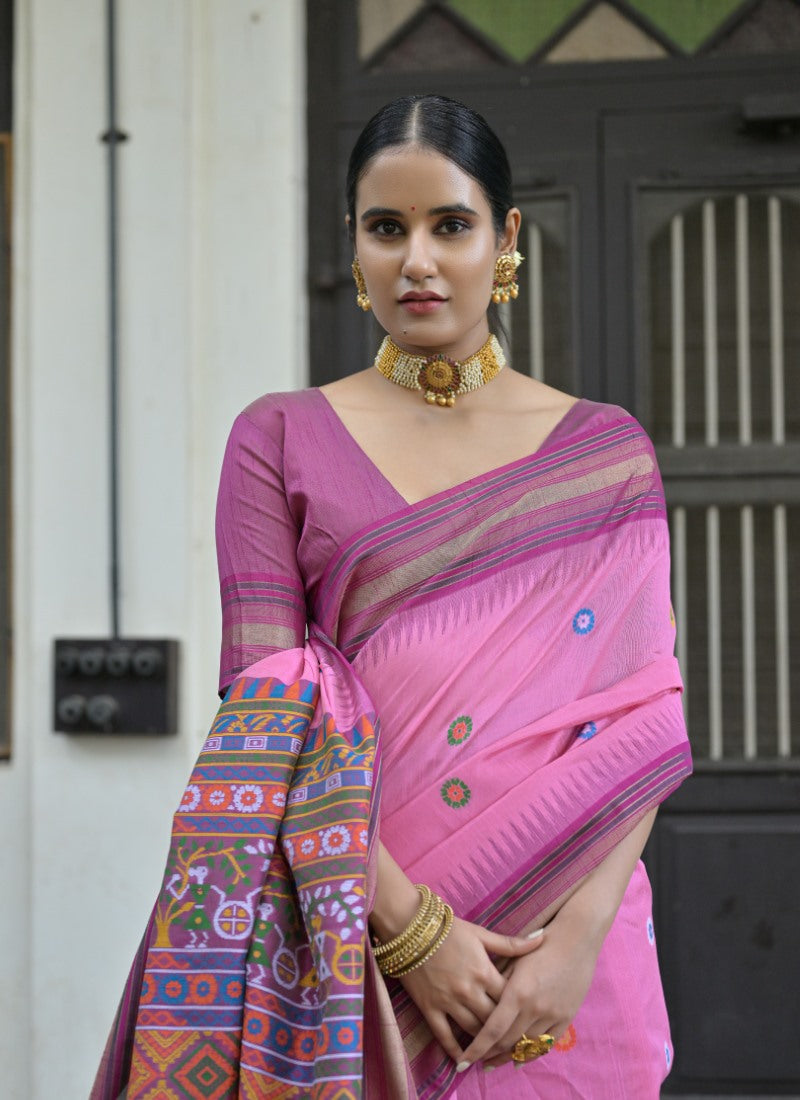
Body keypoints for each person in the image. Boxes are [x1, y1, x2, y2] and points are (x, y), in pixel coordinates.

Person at [92, 95, 691, 1100]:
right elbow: (261, 722)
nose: (417, 259)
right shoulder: (277, 436)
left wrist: (574, 946)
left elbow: (645, 712)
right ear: (353, 244)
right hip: (348, 953)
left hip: (561, 962)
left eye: (448, 224)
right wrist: (413, 931)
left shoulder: (604, 454)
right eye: (386, 227)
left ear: (502, 237)